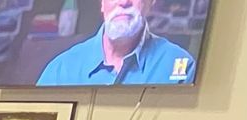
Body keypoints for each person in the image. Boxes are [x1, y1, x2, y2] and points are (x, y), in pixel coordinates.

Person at [36, 0, 196, 85]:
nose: (123, 2)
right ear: (102, 4)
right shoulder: (60, 70)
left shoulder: (180, 66)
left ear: (151, 2)